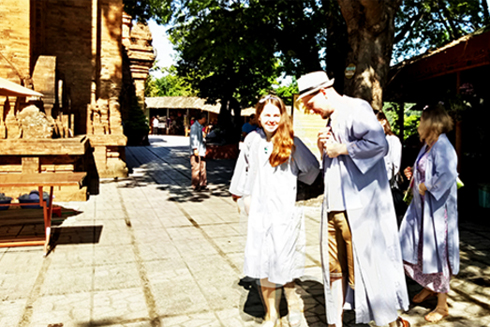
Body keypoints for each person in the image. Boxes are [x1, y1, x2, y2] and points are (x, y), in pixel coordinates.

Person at [297, 71, 410, 327]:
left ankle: (390, 321)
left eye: (310, 104)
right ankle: (335, 322)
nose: (311, 111)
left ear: (323, 92)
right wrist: (322, 147)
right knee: (334, 268)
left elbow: (380, 145)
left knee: (367, 265)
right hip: (334, 206)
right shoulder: (332, 118)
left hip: (359, 207)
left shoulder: (356, 108)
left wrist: (343, 148)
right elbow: (334, 164)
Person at [230, 95, 320, 327]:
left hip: (283, 215)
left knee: (283, 263)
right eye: (266, 114)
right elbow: (243, 169)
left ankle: (292, 305)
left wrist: (292, 183)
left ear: (282, 117)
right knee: (262, 262)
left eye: (275, 115)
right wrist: (240, 195)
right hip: (258, 212)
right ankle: (271, 314)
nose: (271, 119)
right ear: (258, 116)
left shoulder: (291, 142)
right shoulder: (252, 139)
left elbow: (311, 170)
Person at [399, 104, 459, 323]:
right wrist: (413, 175)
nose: (418, 124)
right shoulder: (428, 145)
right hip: (422, 210)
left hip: (437, 213)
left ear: (430, 122)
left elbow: (448, 175)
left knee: (438, 252)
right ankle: (429, 287)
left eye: (421, 119)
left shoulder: (443, 145)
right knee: (417, 249)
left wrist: (426, 186)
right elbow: (425, 170)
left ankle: (442, 305)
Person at [376, 111, 405, 222]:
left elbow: (395, 165)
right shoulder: (369, 141)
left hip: (387, 184)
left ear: (383, 122)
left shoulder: (393, 140)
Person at [189, 112, 207, 191]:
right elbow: (193, 138)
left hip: (201, 150)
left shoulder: (200, 127)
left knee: (203, 168)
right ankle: (195, 185)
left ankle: (203, 183)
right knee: (196, 168)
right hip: (196, 150)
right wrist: (195, 148)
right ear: (202, 119)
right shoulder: (194, 127)